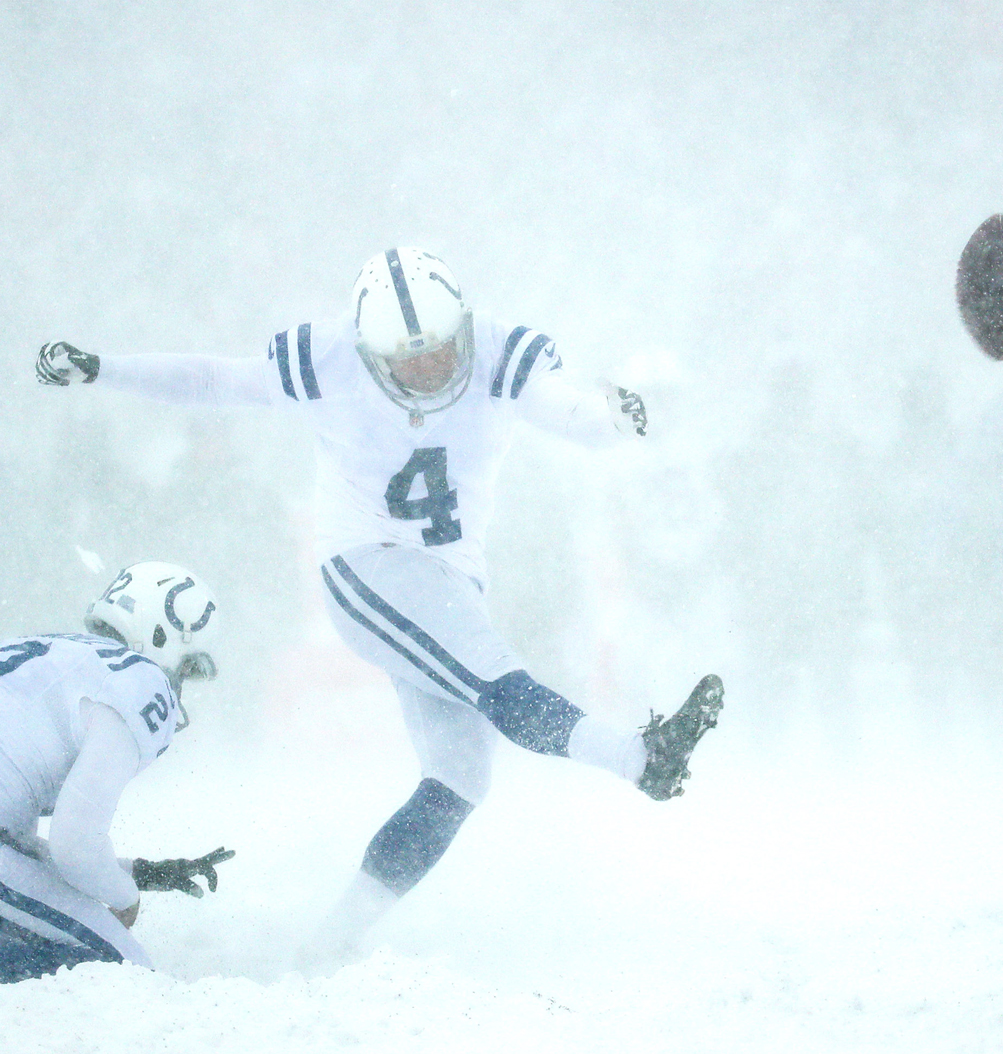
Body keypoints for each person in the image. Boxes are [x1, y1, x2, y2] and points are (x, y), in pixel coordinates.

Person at [35, 247, 723, 960]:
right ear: (369, 350)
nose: (431, 368)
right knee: (496, 677)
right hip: (366, 564)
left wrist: (610, 417)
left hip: (450, 579)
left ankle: (329, 943)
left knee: (459, 779)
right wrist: (102, 368)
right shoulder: (330, 359)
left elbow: (563, 408)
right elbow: (217, 378)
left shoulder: (494, 347)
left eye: (442, 348)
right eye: (408, 358)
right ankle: (639, 758)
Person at [0, 562, 234, 982]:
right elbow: (74, 846)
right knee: (127, 976)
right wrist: (125, 898)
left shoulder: (56, 651)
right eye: (185, 667)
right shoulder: (137, 679)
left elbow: (18, 851)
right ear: (162, 634)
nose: (177, 682)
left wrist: (140, 872)